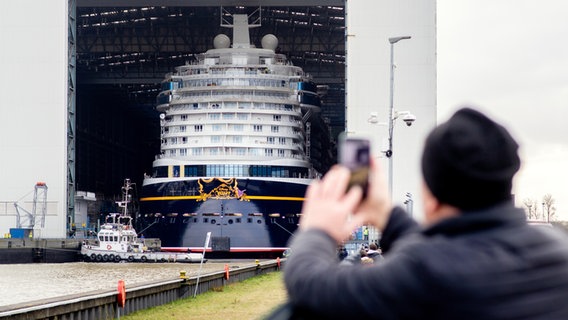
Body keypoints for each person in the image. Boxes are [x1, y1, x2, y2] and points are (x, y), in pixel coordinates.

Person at [283, 107, 568, 319]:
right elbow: (447, 254)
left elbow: (312, 284)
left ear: (430, 197)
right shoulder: (557, 252)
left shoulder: (422, 275)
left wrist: (316, 231)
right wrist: (387, 215)